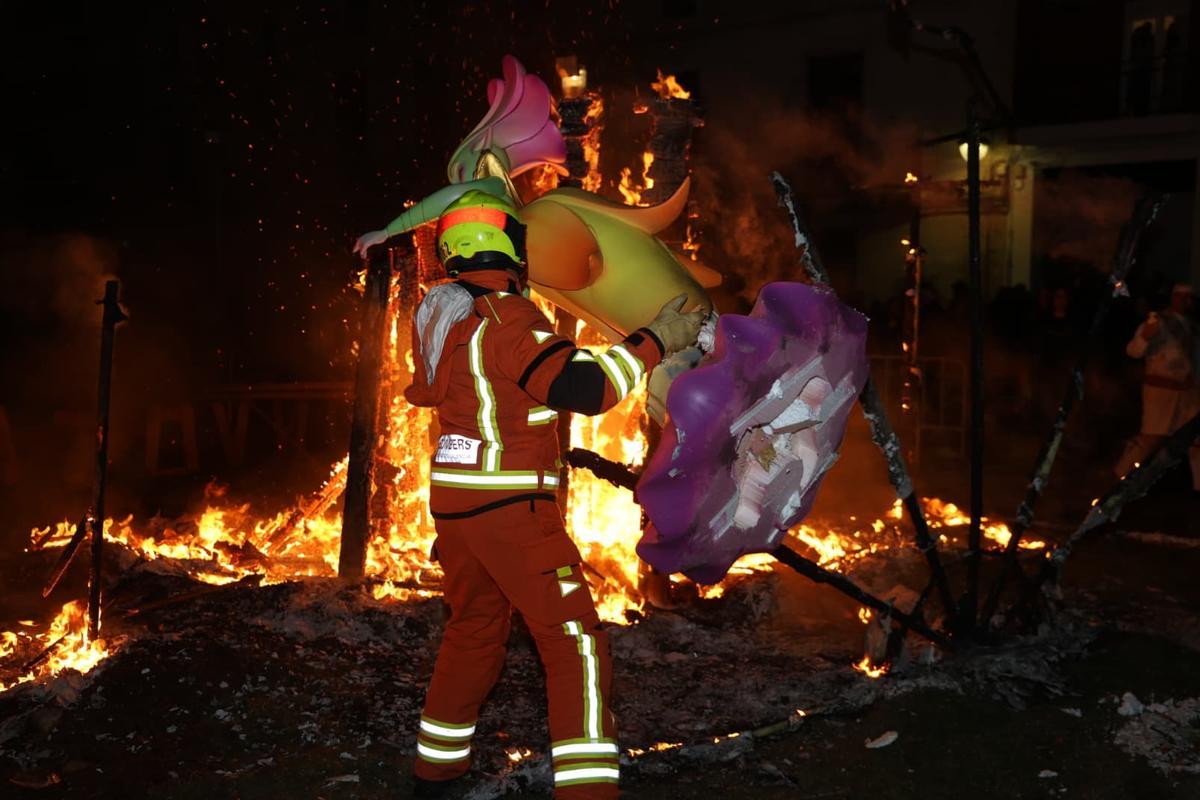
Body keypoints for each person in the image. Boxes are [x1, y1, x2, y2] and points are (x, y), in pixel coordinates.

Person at [393, 190, 703, 798]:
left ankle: (436, 774)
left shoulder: (441, 317)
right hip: (512, 510)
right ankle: (588, 789)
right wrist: (656, 340)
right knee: (575, 648)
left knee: (473, 632)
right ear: (510, 246)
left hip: (457, 508)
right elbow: (584, 388)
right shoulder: (507, 318)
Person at [1115, 283, 1200, 491]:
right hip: (1160, 392)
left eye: (1189, 298)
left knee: (1196, 440)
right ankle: (1121, 477)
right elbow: (1133, 351)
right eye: (1181, 297)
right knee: (1152, 440)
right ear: (1173, 298)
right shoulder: (1158, 323)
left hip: (1187, 392)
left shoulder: (1193, 326)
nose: (1186, 301)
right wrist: (1146, 336)